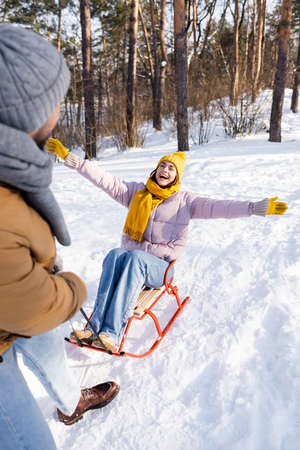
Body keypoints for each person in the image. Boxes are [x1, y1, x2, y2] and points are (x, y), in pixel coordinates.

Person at [46, 137, 288, 353]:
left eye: (171, 168)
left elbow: (219, 207)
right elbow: (105, 181)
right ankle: (94, 327)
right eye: (162, 165)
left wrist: (253, 208)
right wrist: (72, 159)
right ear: (156, 169)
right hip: (134, 263)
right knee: (116, 254)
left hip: (160, 268)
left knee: (134, 258)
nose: (165, 169)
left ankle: (111, 334)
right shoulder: (137, 193)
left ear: (177, 176)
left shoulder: (186, 201)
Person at [0, 23, 119, 449]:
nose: (60, 110)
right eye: (55, 101)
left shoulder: (12, 163)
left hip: (16, 302)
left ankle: (70, 401)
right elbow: (33, 306)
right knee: (28, 441)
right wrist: (72, 288)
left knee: (48, 348)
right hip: (16, 312)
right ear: (24, 114)